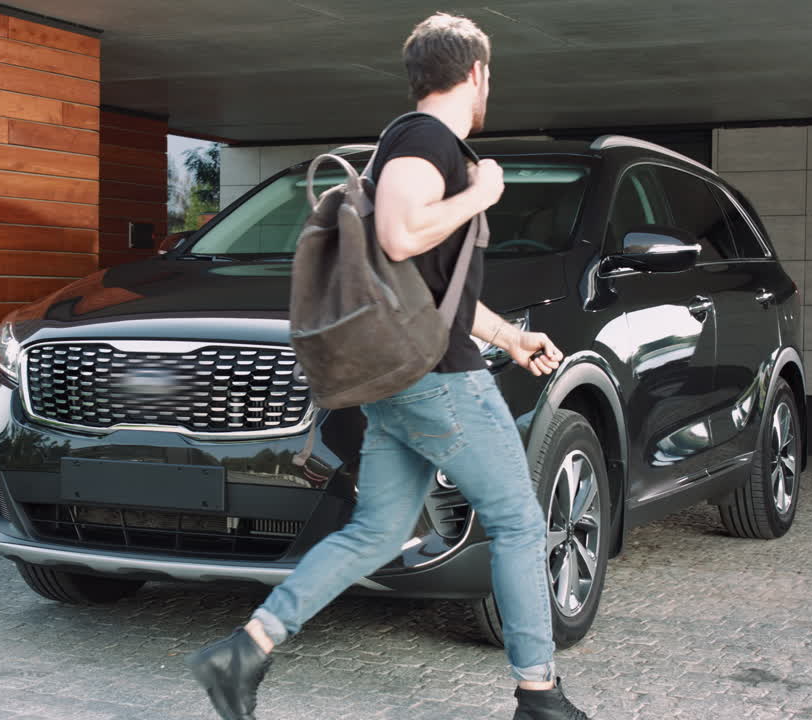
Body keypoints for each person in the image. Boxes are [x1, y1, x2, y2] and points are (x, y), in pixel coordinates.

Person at [187, 13, 589, 720]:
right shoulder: (423, 139)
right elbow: (400, 238)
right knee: (520, 523)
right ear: (476, 75)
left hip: (411, 373)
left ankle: (242, 652)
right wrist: (483, 193)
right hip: (439, 381)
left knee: (376, 532)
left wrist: (510, 338)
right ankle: (539, 694)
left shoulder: (422, 145)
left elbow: (433, 291)